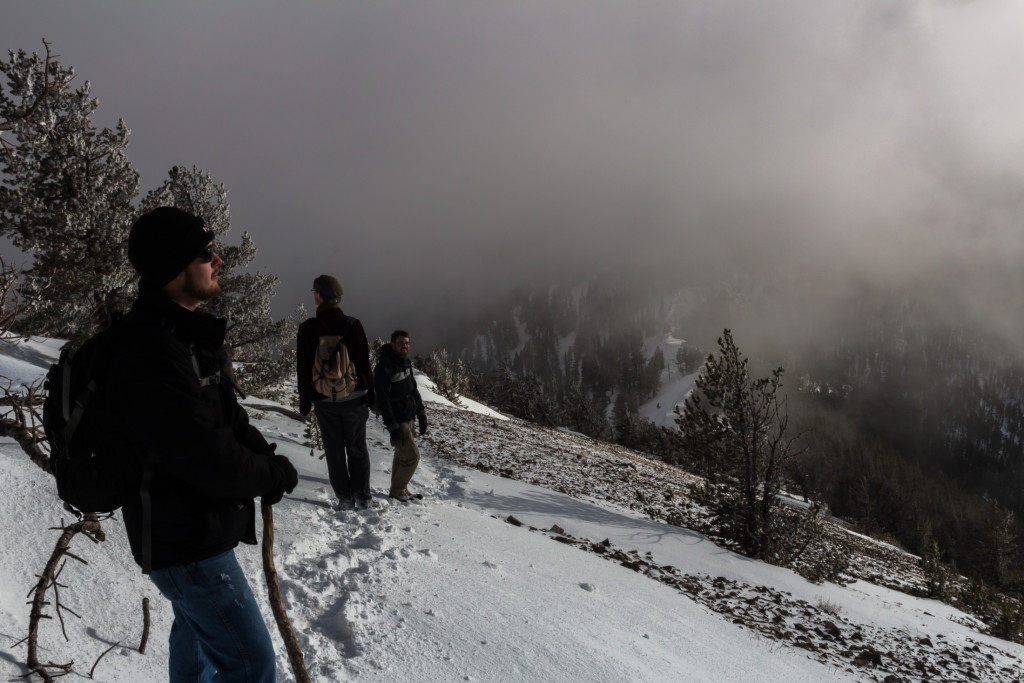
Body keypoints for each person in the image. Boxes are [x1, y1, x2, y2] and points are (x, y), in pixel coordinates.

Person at [109, 206, 298, 683]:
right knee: (250, 666)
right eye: (204, 253)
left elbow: (227, 420)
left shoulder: (185, 337)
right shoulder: (151, 348)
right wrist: (268, 474)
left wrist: (266, 461)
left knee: (194, 641)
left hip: (194, 533)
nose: (217, 260)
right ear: (174, 267)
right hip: (186, 543)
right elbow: (204, 455)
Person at [296, 275, 375, 509]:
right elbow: (363, 363)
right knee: (357, 447)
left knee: (334, 449)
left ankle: (345, 497)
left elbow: (303, 368)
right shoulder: (354, 324)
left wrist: (305, 400)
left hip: (325, 400)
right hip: (355, 398)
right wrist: (370, 395)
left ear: (319, 296)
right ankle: (363, 496)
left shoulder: (308, 328)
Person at [374, 329, 427, 502]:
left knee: (400, 454)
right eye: (400, 343)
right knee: (412, 456)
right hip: (398, 419)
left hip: (409, 414)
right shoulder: (384, 366)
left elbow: (413, 389)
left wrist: (421, 413)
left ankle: (399, 489)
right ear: (392, 344)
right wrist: (392, 427)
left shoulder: (405, 362)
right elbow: (382, 399)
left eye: (407, 343)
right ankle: (397, 491)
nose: (404, 346)